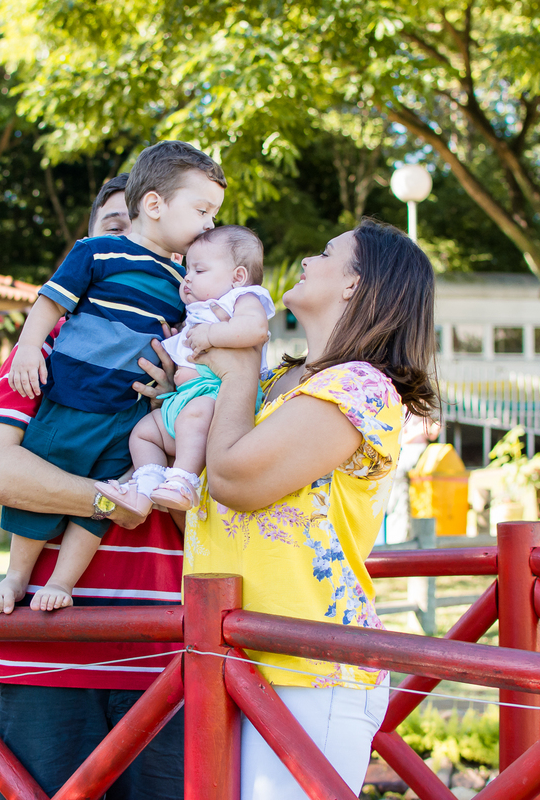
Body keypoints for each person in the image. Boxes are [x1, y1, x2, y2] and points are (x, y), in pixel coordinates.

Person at [187, 217, 438, 799]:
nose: (305, 259)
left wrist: (237, 366)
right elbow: (203, 505)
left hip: (311, 669)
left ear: (355, 284)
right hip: (225, 654)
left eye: (326, 253)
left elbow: (231, 479)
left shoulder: (362, 387)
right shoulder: (280, 378)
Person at [0, 173, 187, 800]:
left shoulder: (199, 363)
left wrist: (174, 411)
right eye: (116, 231)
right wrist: (108, 499)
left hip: (166, 653)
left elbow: (218, 505)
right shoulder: (46, 352)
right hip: (46, 651)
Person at [0, 141, 227, 614]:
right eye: (202, 210)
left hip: (127, 412)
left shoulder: (184, 285)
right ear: (154, 205)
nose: (209, 224)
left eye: (213, 214)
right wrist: (30, 348)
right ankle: (16, 577)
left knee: (108, 495)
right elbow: (51, 302)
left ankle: (62, 582)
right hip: (69, 399)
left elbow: (184, 340)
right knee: (43, 480)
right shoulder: (96, 253)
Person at [97, 225, 274, 513]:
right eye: (187, 269)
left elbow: (255, 329)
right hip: (184, 400)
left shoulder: (242, 299)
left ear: (237, 276)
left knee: (194, 417)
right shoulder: (195, 311)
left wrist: (211, 335)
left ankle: (182, 481)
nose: (187, 278)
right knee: (144, 432)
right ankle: (145, 487)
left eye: (199, 270)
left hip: (217, 399)